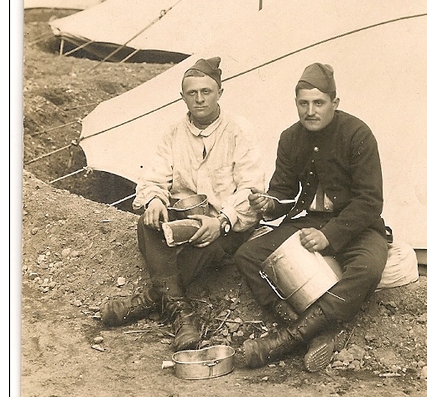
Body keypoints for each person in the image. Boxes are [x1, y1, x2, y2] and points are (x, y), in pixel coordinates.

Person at [101, 56, 265, 351]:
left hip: (225, 226)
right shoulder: (174, 132)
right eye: (192, 93)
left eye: (206, 92)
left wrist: (222, 220)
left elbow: (252, 189)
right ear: (182, 97)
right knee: (147, 224)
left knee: (208, 247)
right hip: (184, 221)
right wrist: (153, 200)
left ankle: (153, 301)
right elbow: (155, 176)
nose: (200, 99)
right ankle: (182, 313)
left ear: (220, 93)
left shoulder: (239, 130)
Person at [234, 62, 389, 372]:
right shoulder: (290, 138)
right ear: (296, 104)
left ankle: (286, 340)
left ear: (335, 103)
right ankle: (315, 331)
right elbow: (283, 192)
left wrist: (329, 235)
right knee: (247, 256)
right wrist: (269, 204)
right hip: (309, 222)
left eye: (319, 103)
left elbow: (370, 200)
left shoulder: (358, 134)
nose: (311, 111)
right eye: (303, 103)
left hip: (356, 227)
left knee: (368, 267)